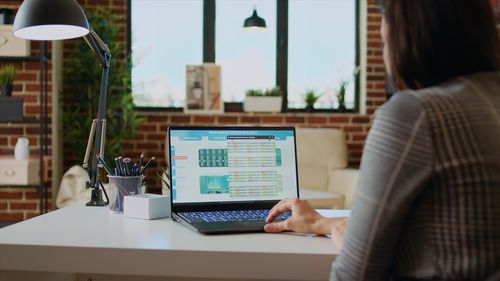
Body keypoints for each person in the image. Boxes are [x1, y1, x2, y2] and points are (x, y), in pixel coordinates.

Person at [265, 0, 500, 280]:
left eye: (384, 39)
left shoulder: (414, 113)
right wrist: (321, 222)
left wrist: (349, 247)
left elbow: (356, 274)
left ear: (404, 35)